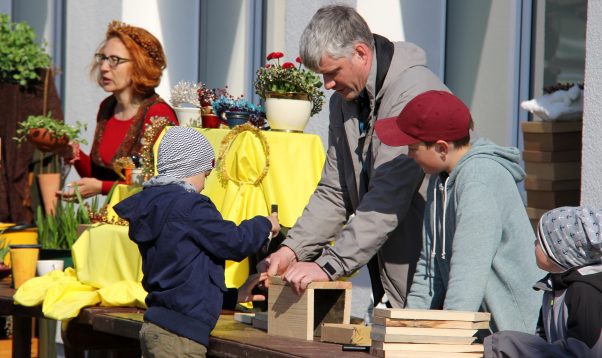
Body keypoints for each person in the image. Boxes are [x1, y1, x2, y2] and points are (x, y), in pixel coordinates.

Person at [259, 4, 448, 308]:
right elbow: (336, 191)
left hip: (432, 281)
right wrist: (291, 250)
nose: (328, 85)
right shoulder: (345, 101)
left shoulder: (412, 96)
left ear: (361, 53)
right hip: (395, 277)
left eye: (332, 73)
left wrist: (327, 266)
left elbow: (386, 201)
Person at [374, 90, 543, 332]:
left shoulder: (478, 181)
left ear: (442, 148)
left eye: (413, 148)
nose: (409, 156)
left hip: (514, 332)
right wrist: (408, 330)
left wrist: (451, 336)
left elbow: (468, 273)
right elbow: (429, 264)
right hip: (481, 329)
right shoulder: (440, 177)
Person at [114, 127, 280, 357]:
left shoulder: (155, 206)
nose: (204, 183)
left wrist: (233, 296)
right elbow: (233, 242)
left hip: (158, 328)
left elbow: (181, 274)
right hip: (180, 338)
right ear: (193, 168)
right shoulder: (190, 206)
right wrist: (265, 224)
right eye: (206, 174)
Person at [58, 20, 178, 198]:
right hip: (114, 215)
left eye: (115, 60)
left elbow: (161, 182)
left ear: (140, 65)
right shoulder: (107, 107)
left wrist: (101, 187)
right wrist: (70, 150)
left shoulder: (158, 114)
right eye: (103, 58)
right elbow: (97, 176)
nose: (104, 67)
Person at [485, 206, 602, 357]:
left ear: (560, 250)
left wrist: (507, 345)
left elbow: (583, 353)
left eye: (540, 241)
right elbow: (543, 340)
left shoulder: (585, 292)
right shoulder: (554, 286)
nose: (534, 243)